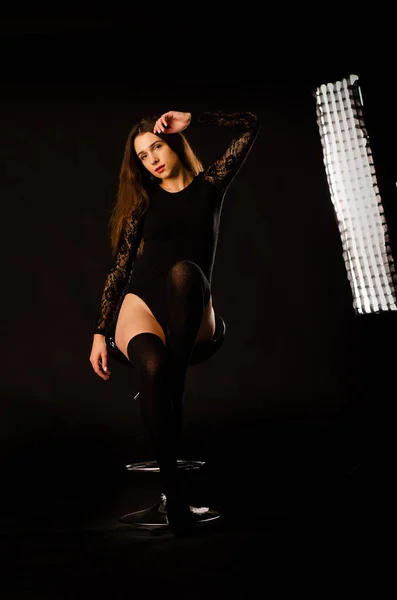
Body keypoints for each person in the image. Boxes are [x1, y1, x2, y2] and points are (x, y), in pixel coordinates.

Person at [89, 109, 260, 534]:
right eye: (143, 156)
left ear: (173, 142)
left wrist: (194, 118)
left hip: (193, 308)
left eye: (157, 147)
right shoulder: (144, 202)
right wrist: (98, 332)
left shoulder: (211, 186)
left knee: (185, 272)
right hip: (143, 304)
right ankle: (174, 503)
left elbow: (250, 124)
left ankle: (172, 384)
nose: (152, 160)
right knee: (152, 365)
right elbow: (120, 269)